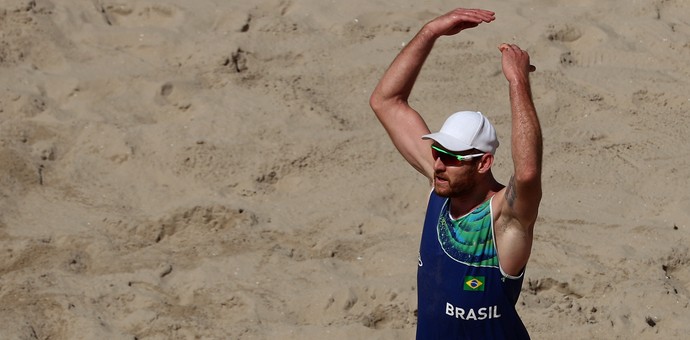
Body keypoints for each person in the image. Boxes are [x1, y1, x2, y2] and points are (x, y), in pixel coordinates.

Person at [369, 8, 542, 339]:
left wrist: (517, 81)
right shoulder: (441, 185)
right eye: (437, 152)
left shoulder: (505, 219)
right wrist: (430, 31)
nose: (437, 164)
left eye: (451, 157)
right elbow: (386, 102)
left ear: (483, 163)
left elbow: (528, 172)